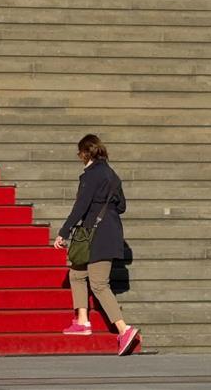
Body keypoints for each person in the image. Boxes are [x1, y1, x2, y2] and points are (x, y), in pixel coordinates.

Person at [53, 134, 140, 356]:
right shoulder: (112, 174)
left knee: (99, 284)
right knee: (77, 274)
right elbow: (122, 206)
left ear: (84, 153)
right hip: (110, 231)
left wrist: (64, 232)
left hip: (96, 234)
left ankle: (124, 329)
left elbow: (80, 206)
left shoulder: (91, 175)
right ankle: (82, 321)